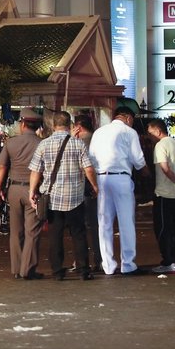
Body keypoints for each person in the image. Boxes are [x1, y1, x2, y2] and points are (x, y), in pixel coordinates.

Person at [28, 111, 98, 281]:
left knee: (55, 233)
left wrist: (32, 191)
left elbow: (36, 170)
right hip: (75, 196)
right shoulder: (78, 144)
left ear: (53, 125)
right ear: (70, 125)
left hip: (52, 197)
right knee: (78, 233)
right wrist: (95, 186)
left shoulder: (44, 144)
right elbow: (88, 168)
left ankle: (58, 270)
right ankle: (83, 269)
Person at [89, 105, 147, 275]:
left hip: (101, 178)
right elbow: (138, 159)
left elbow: (91, 157)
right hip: (121, 178)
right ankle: (128, 264)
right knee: (126, 222)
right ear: (128, 118)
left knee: (104, 223)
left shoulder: (99, 132)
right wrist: (146, 172)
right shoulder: (129, 132)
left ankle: (108, 265)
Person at [0, 108, 45, 280]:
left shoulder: (11, 143)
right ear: (38, 126)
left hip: (13, 190)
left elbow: (2, 167)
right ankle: (27, 269)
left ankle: (16, 269)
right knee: (32, 231)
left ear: (23, 124)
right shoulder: (41, 143)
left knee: (15, 231)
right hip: (34, 190)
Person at [146, 119, 175, 274]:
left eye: (150, 132)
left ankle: (168, 261)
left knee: (162, 228)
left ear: (157, 131)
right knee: (174, 228)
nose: (149, 136)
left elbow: (164, 168)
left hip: (164, 193)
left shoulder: (160, 145)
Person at [72, 113, 101, 272]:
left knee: (80, 226)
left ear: (78, 127)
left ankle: (81, 261)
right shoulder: (97, 140)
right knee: (95, 225)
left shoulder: (79, 142)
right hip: (94, 186)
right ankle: (99, 258)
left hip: (82, 187)